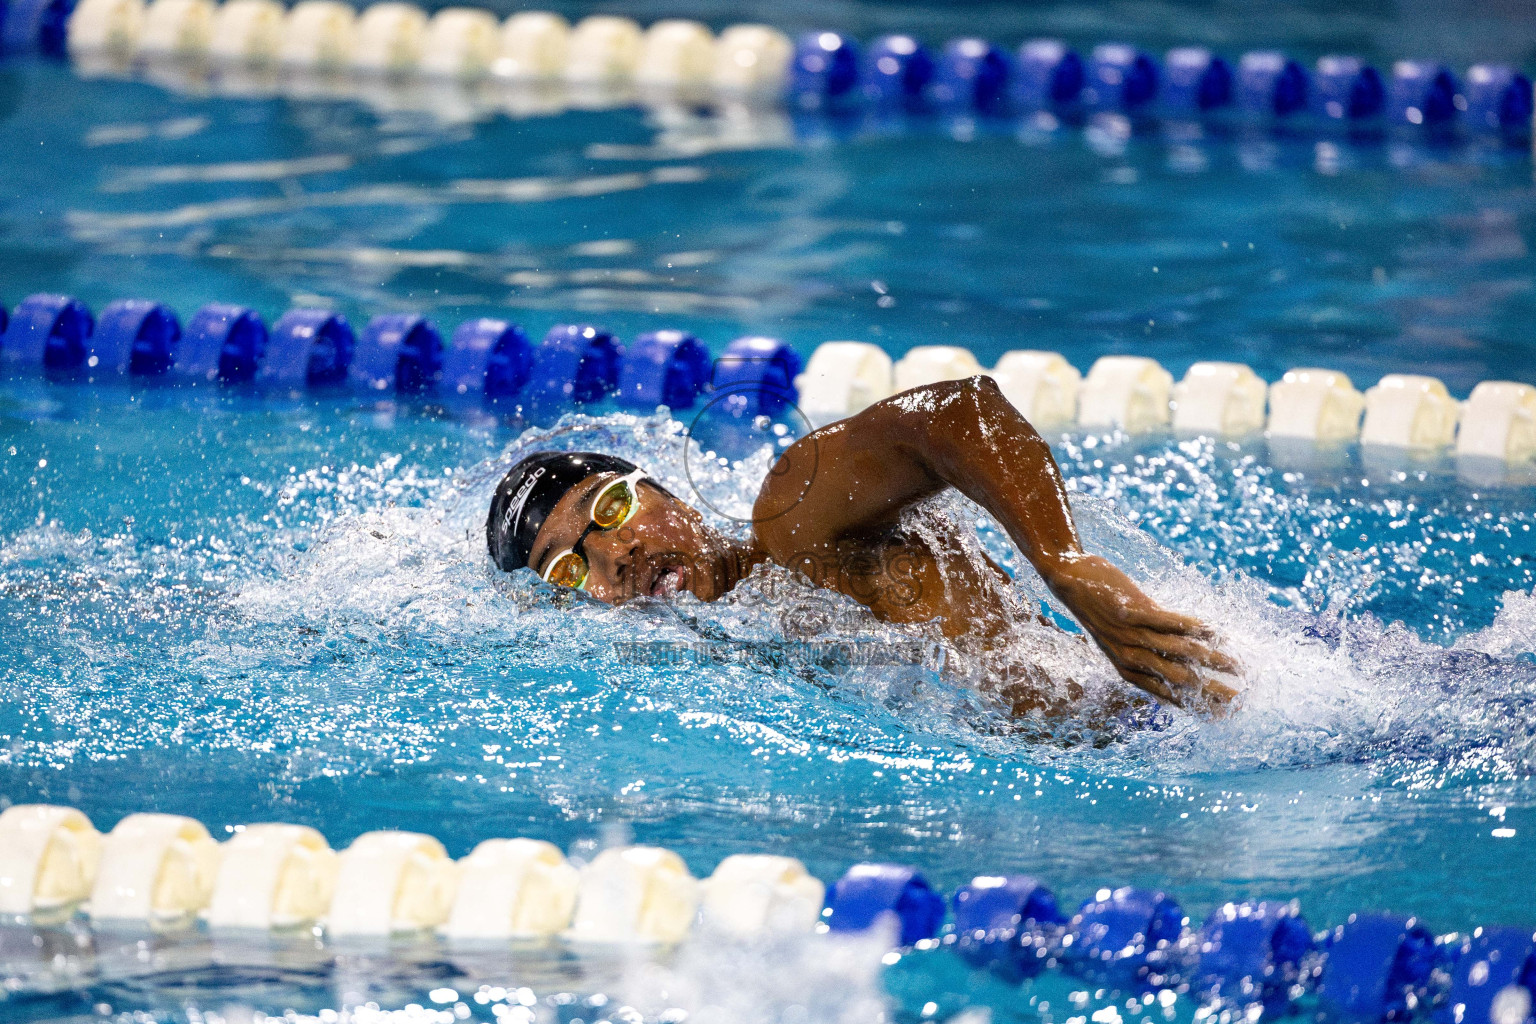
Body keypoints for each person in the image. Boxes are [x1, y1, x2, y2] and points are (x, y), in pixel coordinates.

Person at [486, 375, 1240, 717]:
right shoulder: (717, 653)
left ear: (668, 493)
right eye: (570, 568)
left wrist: (1064, 563)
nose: (611, 556)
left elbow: (952, 414)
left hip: (1193, 695)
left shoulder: (791, 526)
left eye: (613, 509)